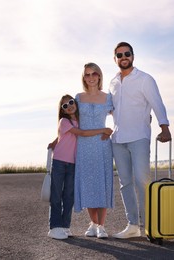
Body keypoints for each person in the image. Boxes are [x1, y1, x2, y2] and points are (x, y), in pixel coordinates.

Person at [109, 42, 171, 239]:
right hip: (118, 139)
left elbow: (157, 103)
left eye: (127, 54)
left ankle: (149, 225)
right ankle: (133, 225)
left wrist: (165, 127)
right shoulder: (113, 82)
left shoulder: (145, 79)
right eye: (119, 55)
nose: (123, 57)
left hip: (139, 137)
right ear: (115, 59)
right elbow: (111, 108)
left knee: (142, 181)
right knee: (125, 183)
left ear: (133, 56)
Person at [48, 94, 113, 240]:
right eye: (65, 105)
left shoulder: (78, 121)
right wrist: (103, 130)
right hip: (59, 161)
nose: (69, 106)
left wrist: (54, 141)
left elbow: (66, 135)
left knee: (69, 196)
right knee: (57, 195)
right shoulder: (64, 121)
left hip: (73, 163)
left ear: (75, 103)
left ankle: (65, 226)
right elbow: (82, 133)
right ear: (63, 110)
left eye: (71, 102)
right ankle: (54, 227)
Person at [74, 62, 114, 239]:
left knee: (102, 182)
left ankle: (101, 226)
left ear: (99, 76)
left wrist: (145, 115)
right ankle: (93, 222)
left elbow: (121, 116)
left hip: (102, 144)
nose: (90, 77)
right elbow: (70, 121)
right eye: (87, 75)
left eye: (94, 74)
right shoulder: (78, 97)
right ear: (84, 77)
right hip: (83, 145)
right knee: (89, 183)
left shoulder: (107, 98)